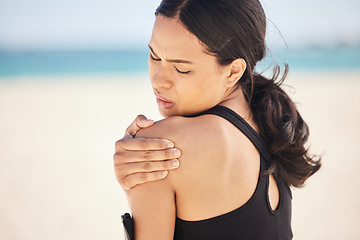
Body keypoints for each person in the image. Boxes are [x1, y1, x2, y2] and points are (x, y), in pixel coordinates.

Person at [113, 0, 321, 239]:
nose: (158, 80)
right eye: (154, 56)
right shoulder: (266, 122)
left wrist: (136, 186)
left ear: (233, 71)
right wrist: (134, 188)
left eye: (181, 68)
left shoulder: (161, 146)